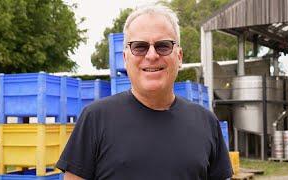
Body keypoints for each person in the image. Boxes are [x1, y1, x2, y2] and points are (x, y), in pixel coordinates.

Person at [56, 4, 232, 180]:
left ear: (179, 57)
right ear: (126, 58)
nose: (152, 55)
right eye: (140, 47)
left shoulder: (206, 123)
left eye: (163, 46)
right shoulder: (95, 119)